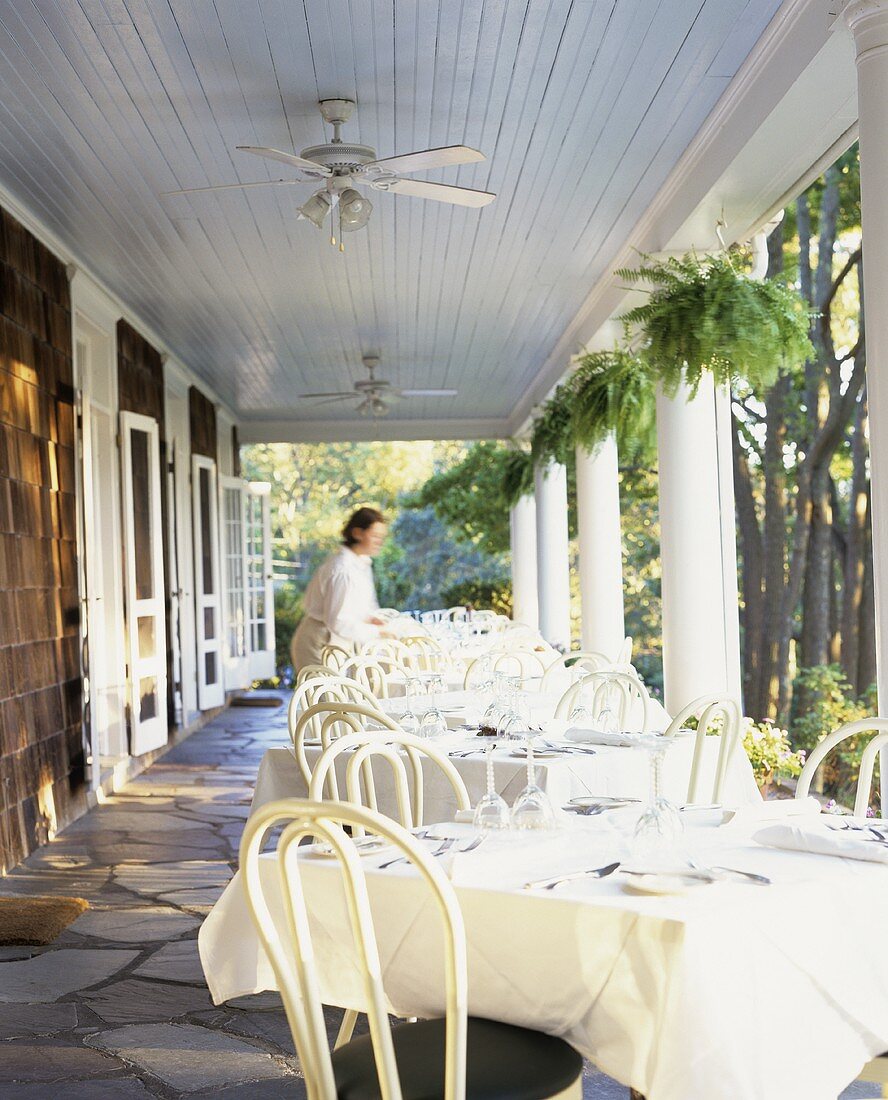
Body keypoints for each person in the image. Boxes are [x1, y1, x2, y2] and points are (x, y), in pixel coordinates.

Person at [290, 507, 388, 672]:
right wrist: (377, 632)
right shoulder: (343, 569)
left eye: (382, 537)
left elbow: (359, 605)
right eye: (375, 536)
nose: (380, 542)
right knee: (327, 696)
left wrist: (371, 618)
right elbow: (338, 622)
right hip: (319, 641)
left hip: (336, 642)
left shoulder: (361, 563)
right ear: (357, 533)